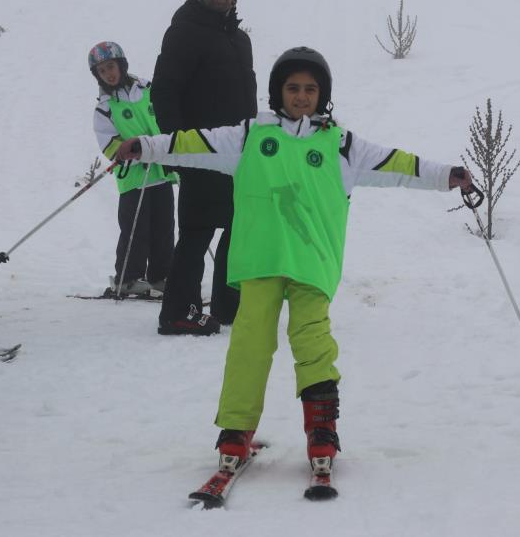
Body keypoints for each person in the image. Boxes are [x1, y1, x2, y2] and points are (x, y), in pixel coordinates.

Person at [116, 46, 475, 485]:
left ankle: (322, 431)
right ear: (277, 92)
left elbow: (398, 164)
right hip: (261, 260)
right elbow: (192, 143)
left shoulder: (342, 144)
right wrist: (143, 147)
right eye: (292, 88)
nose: (301, 96)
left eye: (310, 89)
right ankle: (235, 433)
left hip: (312, 263)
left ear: (321, 94)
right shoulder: (250, 136)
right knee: (250, 342)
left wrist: (446, 175)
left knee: (312, 341)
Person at [150, 0, 257, 335]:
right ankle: (178, 310)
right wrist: (178, 147)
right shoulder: (184, 31)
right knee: (196, 232)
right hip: (199, 149)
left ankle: (229, 304)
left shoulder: (238, 38)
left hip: (237, 152)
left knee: (238, 226)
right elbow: (164, 92)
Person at [89, 41, 176, 298]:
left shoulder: (148, 90)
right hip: (135, 175)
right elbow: (108, 142)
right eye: (102, 71)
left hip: (160, 170)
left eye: (111, 67)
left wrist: (168, 146)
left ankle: (161, 275)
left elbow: (164, 118)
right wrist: (131, 152)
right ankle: (126, 277)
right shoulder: (105, 108)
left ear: (121, 65)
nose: (109, 74)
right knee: (136, 227)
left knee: (164, 225)